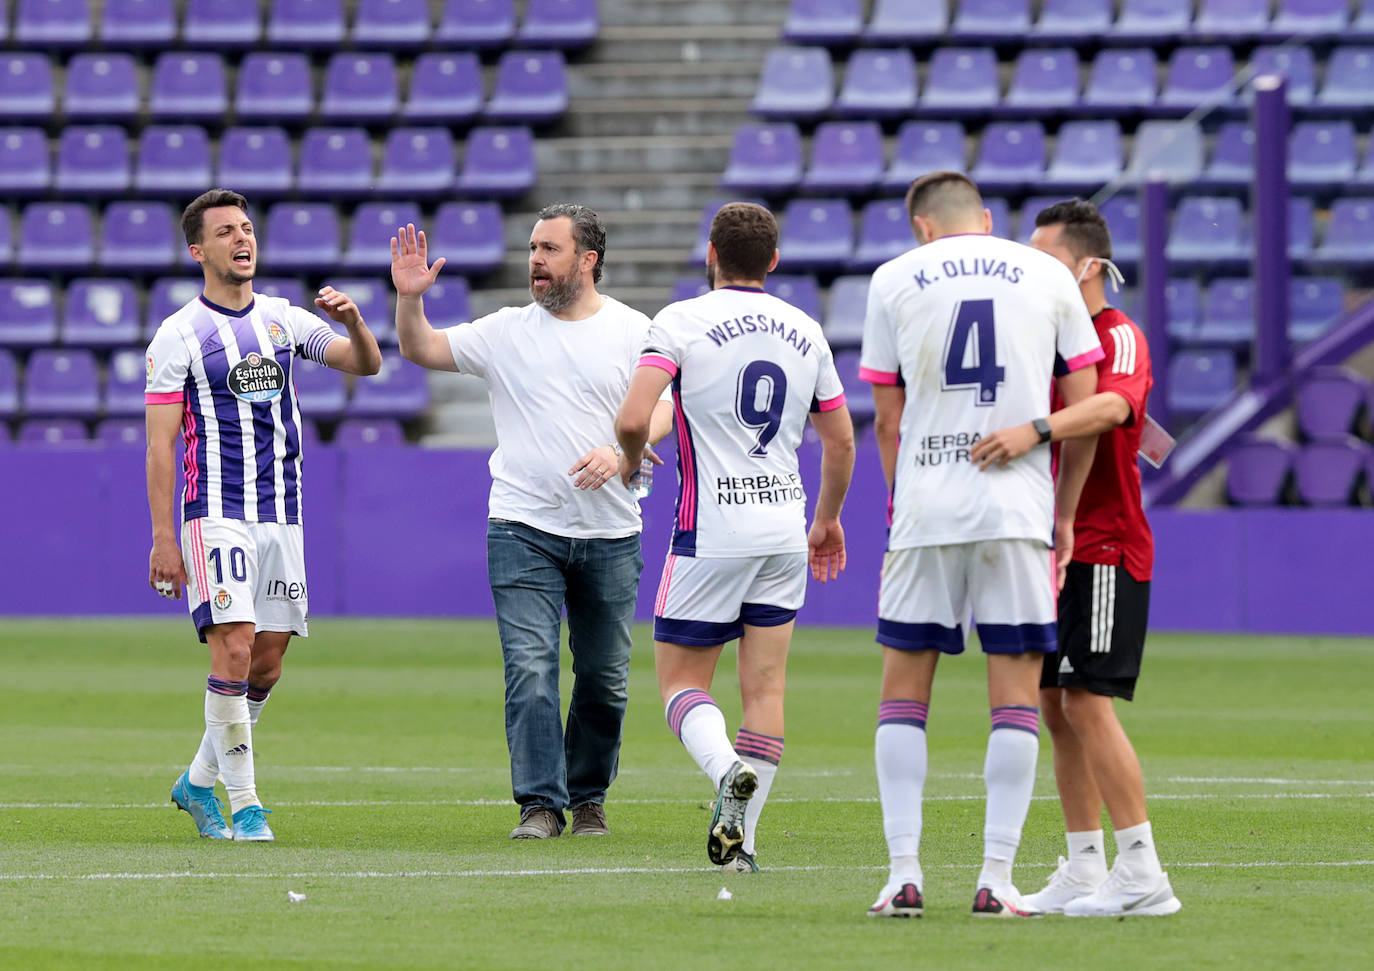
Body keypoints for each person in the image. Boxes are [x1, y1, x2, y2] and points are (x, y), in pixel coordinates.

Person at [858, 172, 1103, 919]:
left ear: (923, 228)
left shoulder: (894, 277)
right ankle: (996, 878)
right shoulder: (1048, 275)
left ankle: (903, 873)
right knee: (1016, 701)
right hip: (1018, 511)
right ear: (988, 219)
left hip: (928, 510)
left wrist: (902, 506)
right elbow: (1086, 404)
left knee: (904, 694)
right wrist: (1062, 514)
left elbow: (887, 420)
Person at [390, 204, 673, 840]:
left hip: (610, 533)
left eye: (549, 249)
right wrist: (410, 300)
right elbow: (421, 347)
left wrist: (622, 451)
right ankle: (540, 804)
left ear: (587, 260)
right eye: (532, 248)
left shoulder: (634, 329)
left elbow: (664, 409)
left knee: (604, 678)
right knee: (532, 668)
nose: (535, 261)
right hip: (521, 527)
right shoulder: (506, 330)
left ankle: (589, 796)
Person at [614, 201, 854, 872]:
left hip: (710, 530)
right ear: (773, 261)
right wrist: (827, 519)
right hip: (784, 528)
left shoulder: (682, 320)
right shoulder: (806, 329)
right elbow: (839, 440)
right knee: (767, 688)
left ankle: (725, 771)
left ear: (710, 254)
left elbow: (635, 415)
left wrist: (632, 457)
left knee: (680, 682)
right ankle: (742, 843)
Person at [147, 188, 382, 842]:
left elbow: (365, 363)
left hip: (281, 512)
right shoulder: (178, 335)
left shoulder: (282, 319)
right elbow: (159, 442)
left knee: (267, 660)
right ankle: (246, 806)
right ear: (199, 251)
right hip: (213, 510)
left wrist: (356, 321)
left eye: (246, 228)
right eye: (225, 231)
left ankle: (196, 782)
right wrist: (164, 537)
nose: (241, 239)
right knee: (236, 641)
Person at [971, 199, 1182, 917]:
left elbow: (1115, 409)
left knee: (1087, 698)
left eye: (1048, 257)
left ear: (1089, 266)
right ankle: (1086, 865)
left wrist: (1034, 429)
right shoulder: (1050, 340)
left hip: (1106, 545)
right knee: (1056, 706)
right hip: (1056, 546)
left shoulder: (1117, 335)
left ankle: (1144, 870)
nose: (1034, 270)